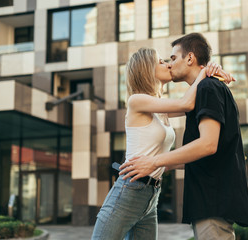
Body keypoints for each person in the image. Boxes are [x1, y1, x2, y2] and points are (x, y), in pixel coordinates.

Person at [120, 33, 248, 240]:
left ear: (190, 58)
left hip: (213, 201)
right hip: (209, 201)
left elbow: (208, 145)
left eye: (173, 58)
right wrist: (158, 165)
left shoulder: (208, 88)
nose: (170, 64)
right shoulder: (202, 91)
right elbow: (206, 151)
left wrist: (154, 161)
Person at [91, 47, 231, 240]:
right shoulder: (137, 101)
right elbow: (186, 104)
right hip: (129, 191)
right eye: (161, 62)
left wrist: (214, 72)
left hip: (151, 194)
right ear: (146, 69)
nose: (168, 64)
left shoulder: (160, 107)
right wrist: (204, 73)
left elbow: (200, 103)